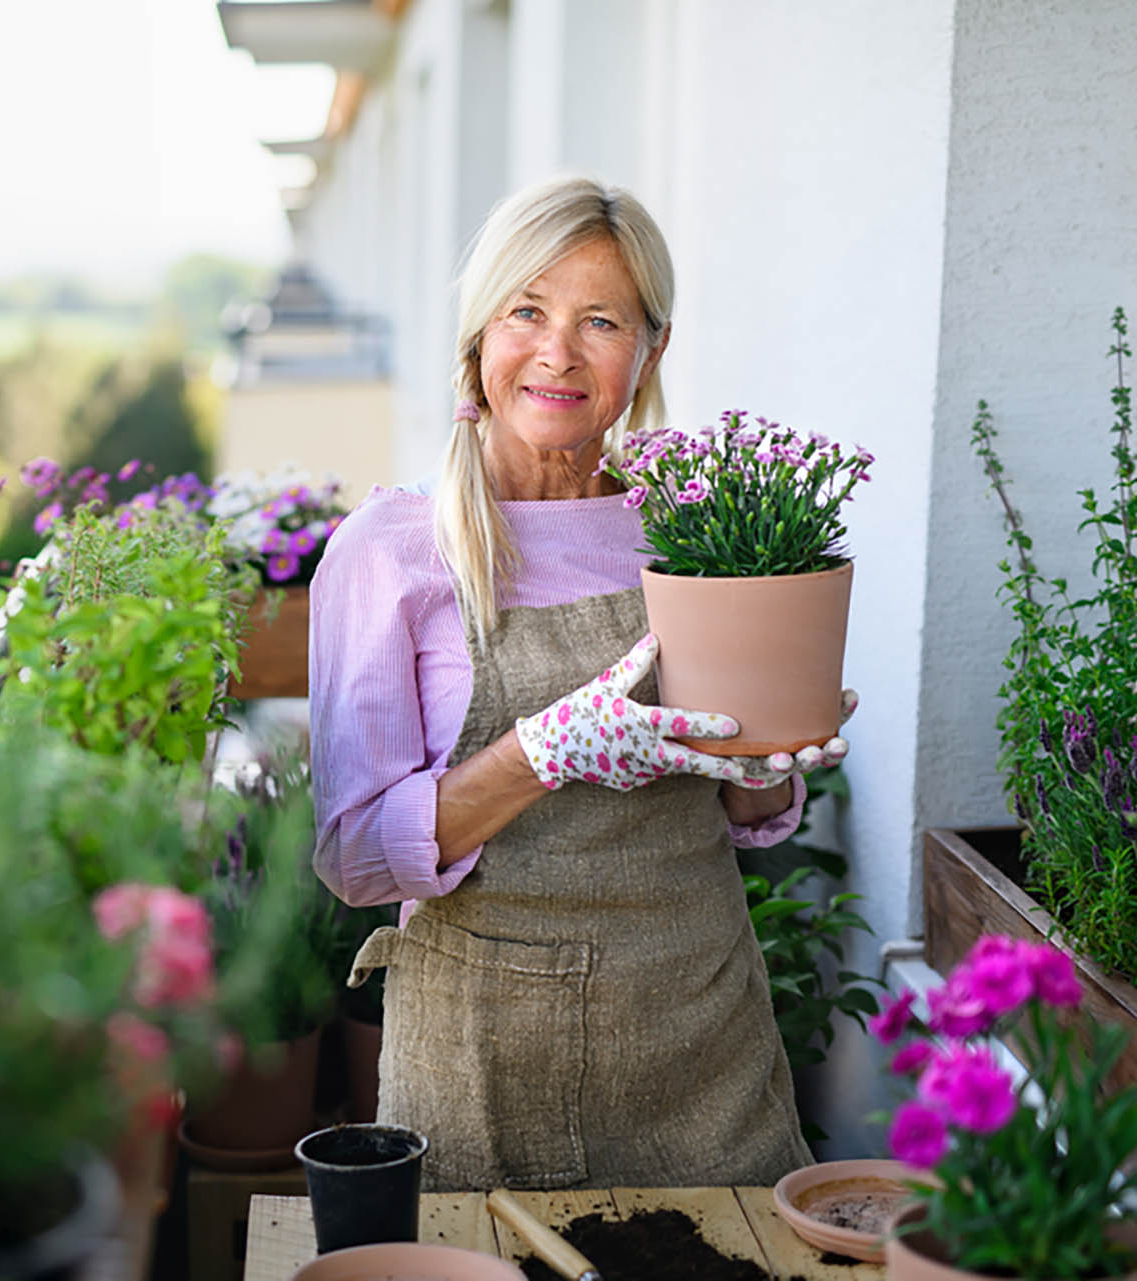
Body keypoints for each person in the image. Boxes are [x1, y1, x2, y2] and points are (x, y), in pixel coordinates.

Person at [308, 175, 854, 1192]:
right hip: (488, 1058)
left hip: (704, 1037)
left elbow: (741, 805)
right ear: (479, 333)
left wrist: (774, 763)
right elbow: (351, 858)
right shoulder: (392, 551)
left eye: (600, 320)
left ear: (651, 350)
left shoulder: (691, 528)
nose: (557, 351)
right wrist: (539, 756)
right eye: (527, 310)